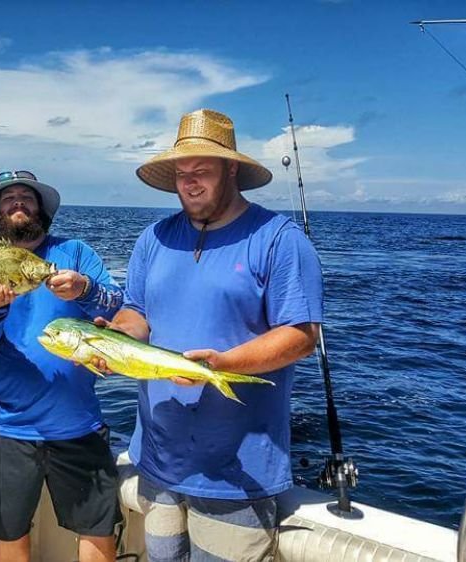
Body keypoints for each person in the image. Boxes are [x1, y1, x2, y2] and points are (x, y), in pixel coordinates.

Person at [99, 109, 324, 562]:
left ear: (232, 169)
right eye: (182, 174)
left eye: (201, 171)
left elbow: (301, 335)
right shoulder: (153, 238)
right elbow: (137, 312)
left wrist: (220, 365)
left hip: (236, 470)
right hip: (158, 458)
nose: (190, 183)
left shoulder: (278, 238)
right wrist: (115, 337)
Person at [0, 171, 125, 562]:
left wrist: (85, 288)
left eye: (26, 197)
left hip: (80, 424)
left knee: (98, 533)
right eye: (8, 198)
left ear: (42, 209)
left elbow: (116, 307)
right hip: (7, 429)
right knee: (10, 534)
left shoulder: (76, 252)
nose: (18, 203)